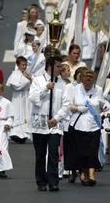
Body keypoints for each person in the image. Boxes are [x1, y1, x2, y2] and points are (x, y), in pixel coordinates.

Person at [28, 56, 69, 192]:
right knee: (40, 154)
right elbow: (33, 98)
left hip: (54, 124)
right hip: (40, 123)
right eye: (58, 67)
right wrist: (46, 88)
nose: (60, 69)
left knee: (53, 152)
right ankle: (41, 181)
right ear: (50, 67)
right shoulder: (38, 81)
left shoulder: (62, 84)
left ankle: (53, 181)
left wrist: (56, 118)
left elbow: (66, 104)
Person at [67, 69, 110, 186]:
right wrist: (78, 108)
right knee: (82, 152)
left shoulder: (98, 90)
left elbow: (102, 103)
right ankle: (85, 175)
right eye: (85, 83)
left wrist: (106, 107)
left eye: (90, 84)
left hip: (93, 125)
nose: (87, 86)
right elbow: (68, 105)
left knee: (91, 152)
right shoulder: (75, 90)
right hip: (79, 125)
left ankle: (91, 175)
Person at [6, 57, 31, 144]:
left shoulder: (27, 73)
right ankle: (15, 133)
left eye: (25, 65)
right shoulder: (15, 74)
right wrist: (26, 80)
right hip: (18, 97)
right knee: (17, 113)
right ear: (18, 65)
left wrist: (29, 78)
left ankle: (24, 134)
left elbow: (33, 83)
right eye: (22, 65)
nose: (24, 67)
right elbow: (17, 86)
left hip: (25, 96)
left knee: (25, 114)